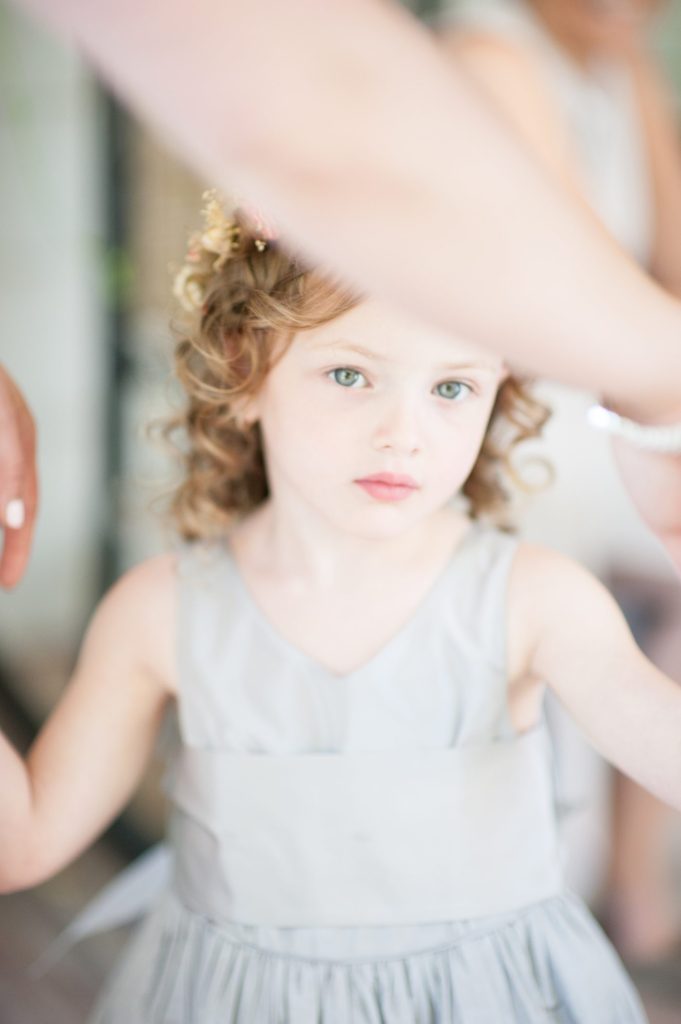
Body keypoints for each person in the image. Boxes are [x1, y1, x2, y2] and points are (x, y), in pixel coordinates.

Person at [3, 195, 681, 1022]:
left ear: (495, 390)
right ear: (244, 370)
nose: (405, 432)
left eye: (451, 387)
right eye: (350, 375)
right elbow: (24, 841)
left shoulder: (532, 602)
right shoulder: (159, 614)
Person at [3, 0, 681, 592]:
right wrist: (654, 380)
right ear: (242, 367)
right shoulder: (492, 53)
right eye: (346, 375)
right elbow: (541, 267)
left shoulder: (623, 69)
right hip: (569, 379)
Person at [437, 0, 681, 962]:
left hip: (618, 376)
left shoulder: (619, 63)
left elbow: (668, 256)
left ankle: (631, 881)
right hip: (527, 391)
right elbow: (574, 262)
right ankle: (566, 885)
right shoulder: (489, 47)